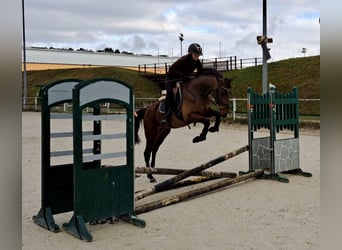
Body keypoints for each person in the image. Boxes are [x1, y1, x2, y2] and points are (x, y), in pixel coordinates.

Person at [161, 43, 203, 124]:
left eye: (198, 55)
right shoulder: (183, 59)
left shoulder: (197, 62)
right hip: (171, 78)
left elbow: (200, 72)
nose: (197, 56)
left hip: (183, 80)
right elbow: (172, 69)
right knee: (170, 93)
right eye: (196, 54)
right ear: (190, 53)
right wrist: (183, 75)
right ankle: (166, 116)